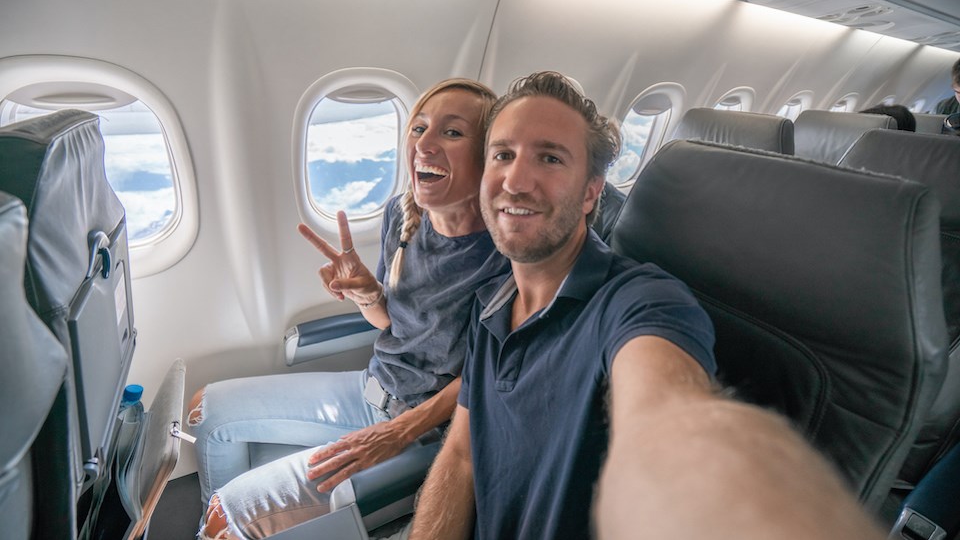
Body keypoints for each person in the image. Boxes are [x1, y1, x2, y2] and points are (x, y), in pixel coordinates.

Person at [408, 71, 886, 540]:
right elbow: (462, 455)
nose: (516, 180)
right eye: (503, 155)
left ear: (591, 191)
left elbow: (668, 420)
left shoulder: (641, 302)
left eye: (550, 159)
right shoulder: (491, 302)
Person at [189, 77, 507, 539]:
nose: (425, 144)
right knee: (205, 412)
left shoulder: (502, 253)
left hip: (425, 426)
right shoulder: (402, 215)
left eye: (452, 133)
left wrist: (395, 434)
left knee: (227, 516)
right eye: (418, 128)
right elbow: (391, 325)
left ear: (488, 157)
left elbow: (485, 377)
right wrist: (368, 295)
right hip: (370, 387)